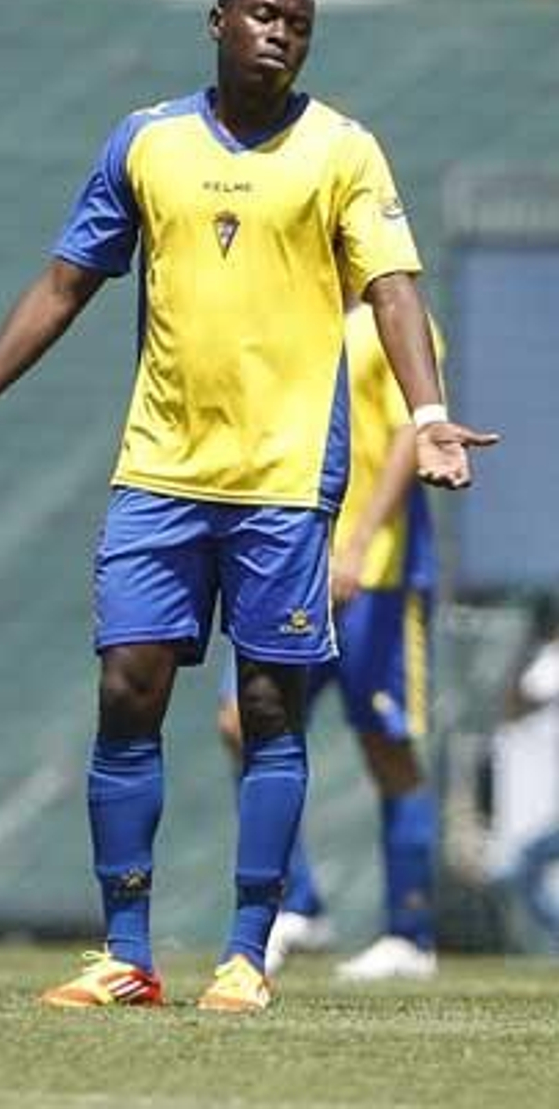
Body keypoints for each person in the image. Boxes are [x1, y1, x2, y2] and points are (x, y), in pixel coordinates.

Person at [0, 0, 497, 1012]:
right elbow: (64, 283)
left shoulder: (342, 150)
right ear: (216, 20)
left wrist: (424, 414)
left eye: (299, 22)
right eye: (263, 14)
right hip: (160, 471)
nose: (279, 32)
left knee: (271, 707)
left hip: (281, 484)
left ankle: (244, 951)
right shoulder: (147, 142)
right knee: (126, 689)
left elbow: (394, 290)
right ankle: (125, 952)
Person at [216, 301, 444, 980]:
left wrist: (360, 541)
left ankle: (411, 934)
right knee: (241, 723)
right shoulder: (293, 310)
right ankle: (302, 905)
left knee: (385, 741)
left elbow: (412, 436)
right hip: (293, 566)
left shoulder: (400, 319)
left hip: (376, 575)